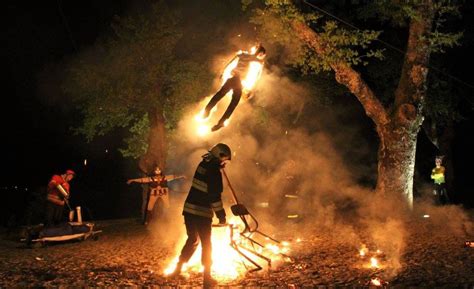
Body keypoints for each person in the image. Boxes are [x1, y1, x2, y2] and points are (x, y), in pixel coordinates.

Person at [169, 143, 231, 287]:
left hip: (189, 210)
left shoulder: (203, 164)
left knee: (192, 240)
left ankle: (177, 269)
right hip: (202, 213)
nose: (224, 163)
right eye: (224, 160)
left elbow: (206, 178)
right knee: (206, 244)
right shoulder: (214, 172)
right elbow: (214, 196)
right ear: (219, 156)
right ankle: (207, 279)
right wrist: (221, 216)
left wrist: (217, 166)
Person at [202, 44, 266, 131]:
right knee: (233, 103)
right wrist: (261, 61)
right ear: (259, 53)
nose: (261, 57)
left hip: (232, 79)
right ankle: (220, 122)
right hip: (237, 81)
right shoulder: (253, 58)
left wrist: (223, 72)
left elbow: (233, 60)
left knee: (219, 95)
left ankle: (207, 111)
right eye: (261, 55)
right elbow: (258, 67)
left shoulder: (243, 54)